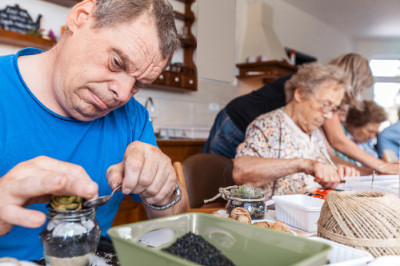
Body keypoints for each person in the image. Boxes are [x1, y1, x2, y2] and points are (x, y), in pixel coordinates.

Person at [0, 0, 189, 261]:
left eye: (138, 85)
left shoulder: (133, 118)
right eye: (116, 62)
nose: (122, 94)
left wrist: (164, 192)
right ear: (81, 17)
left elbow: (177, 227)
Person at [203, 54, 398, 174]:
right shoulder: (320, 86)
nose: (330, 112)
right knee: (213, 178)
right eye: (327, 106)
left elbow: (327, 153)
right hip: (235, 121)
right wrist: (381, 167)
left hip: (248, 125)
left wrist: (366, 171)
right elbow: (338, 141)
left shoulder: (322, 103)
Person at [233, 63, 359, 197]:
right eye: (325, 105)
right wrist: (302, 164)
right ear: (300, 93)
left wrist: (336, 174)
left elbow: (318, 179)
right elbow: (241, 172)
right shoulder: (269, 124)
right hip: (275, 215)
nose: (328, 115)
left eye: (333, 109)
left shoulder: (315, 133)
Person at [334, 100, 387, 166]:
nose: (372, 137)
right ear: (354, 124)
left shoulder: (368, 143)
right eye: (370, 131)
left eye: (375, 132)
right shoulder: (339, 139)